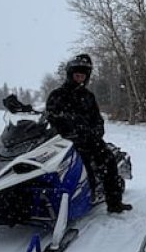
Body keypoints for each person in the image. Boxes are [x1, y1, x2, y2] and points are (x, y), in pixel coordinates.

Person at [46, 54, 132, 213]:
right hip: (61, 141)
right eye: (77, 75)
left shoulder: (88, 97)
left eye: (82, 76)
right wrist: (66, 127)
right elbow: (50, 116)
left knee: (108, 161)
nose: (80, 79)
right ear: (70, 75)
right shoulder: (57, 95)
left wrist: (95, 133)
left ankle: (114, 203)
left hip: (87, 140)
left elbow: (97, 119)